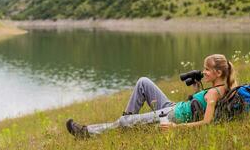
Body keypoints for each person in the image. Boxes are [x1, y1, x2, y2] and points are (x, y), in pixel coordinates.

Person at [66, 54, 237, 138]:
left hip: (173, 116)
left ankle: (87, 132)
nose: (204, 72)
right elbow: (198, 106)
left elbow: (206, 123)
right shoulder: (222, 87)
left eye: (207, 69)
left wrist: (175, 128)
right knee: (143, 82)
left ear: (218, 72)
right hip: (174, 107)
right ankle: (128, 124)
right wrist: (196, 87)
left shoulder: (214, 94)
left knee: (124, 122)